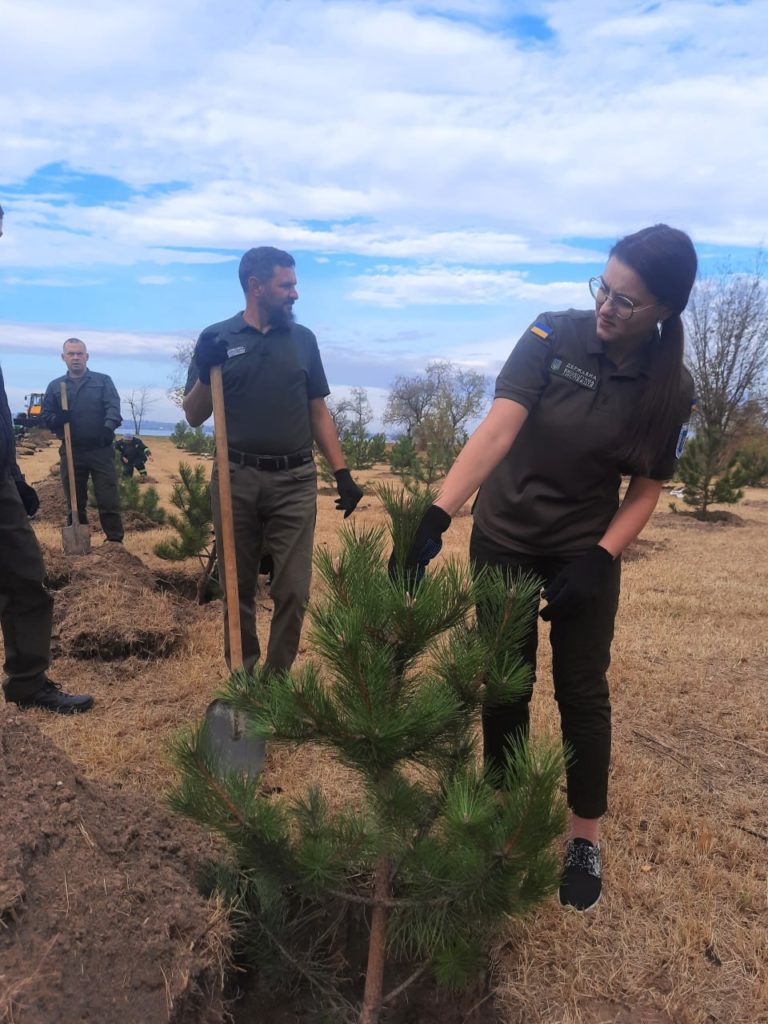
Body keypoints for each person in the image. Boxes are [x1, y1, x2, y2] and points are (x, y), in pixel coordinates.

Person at [400, 224, 698, 912]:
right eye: (604, 287)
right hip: (504, 537)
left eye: (627, 302)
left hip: (582, 551)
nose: (606, 307)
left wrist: (600, 556)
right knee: (506, 686)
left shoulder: (670, 385)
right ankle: (502, 824)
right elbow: (499, 427)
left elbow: (648, 485)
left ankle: (583, 838)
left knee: (581, 693)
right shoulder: (550, 335)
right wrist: (439, 513)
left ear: (662, 311)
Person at [183, 246, 363, 675]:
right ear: (256, 286)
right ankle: (243, 677)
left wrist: (342, 473)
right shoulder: (217, 338)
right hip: (235, 477)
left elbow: (317, 409)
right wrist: (208, 370)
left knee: (294, 590)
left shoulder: (303, 342)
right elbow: (193, 414)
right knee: (236, 586)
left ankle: (275, 683)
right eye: (287, 285)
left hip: (294, 479)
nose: (295, 294)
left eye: (295, 284)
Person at [0, 205, 94, 713]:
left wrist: (13, 472)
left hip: (1, 481)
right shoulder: (56, 384)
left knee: (26, 577)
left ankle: (28, 683)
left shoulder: (97, 383)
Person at [41, 339, 124, 543]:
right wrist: (57, 420)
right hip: (72, 450)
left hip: (100, 449)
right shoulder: (55, 386)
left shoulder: (102, 381)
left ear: (87, 356)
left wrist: (108, 428)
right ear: (64, 357)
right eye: (71, 354)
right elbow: (45, 416)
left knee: (107, 497)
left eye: (79, 353)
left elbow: (113, 407)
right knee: (75, 500)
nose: (76, 358)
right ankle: (79, 542)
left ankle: (114, 541)